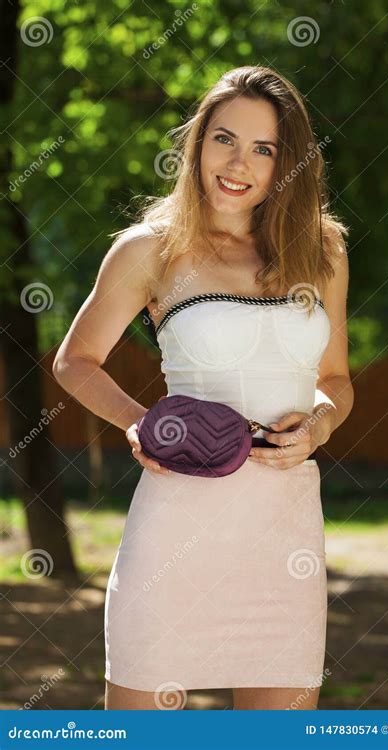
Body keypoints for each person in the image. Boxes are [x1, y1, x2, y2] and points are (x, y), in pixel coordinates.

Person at [52, 65, 353, 711]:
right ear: (197, 143)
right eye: (224, 138)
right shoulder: (152, 249)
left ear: (288, 163)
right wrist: (140, 423)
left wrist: (320, 425)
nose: (238, 162)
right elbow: (76, 361)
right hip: (176, 527)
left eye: (264, 148)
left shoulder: (321, 250)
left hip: (285, 537)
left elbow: (334, 380)